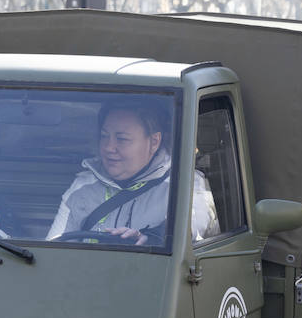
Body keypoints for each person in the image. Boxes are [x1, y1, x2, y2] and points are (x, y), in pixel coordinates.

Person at [48, 101, 217, 244]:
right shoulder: (84, 186)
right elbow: (53, 249)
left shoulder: (185, 184)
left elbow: (193, 224)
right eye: (104, 136)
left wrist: (152, 237)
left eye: (122, 139)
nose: (108, 147)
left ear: (154, 141)